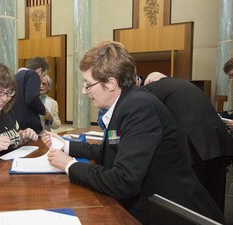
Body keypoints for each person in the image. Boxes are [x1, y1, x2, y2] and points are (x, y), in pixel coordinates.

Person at [41, 40, 224, 224]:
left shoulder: (138, 108)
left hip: (170, 214)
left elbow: (123, 182)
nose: (84, 90)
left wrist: (69, 166)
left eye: (88, 84)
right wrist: (68, 146)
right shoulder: (124, 105)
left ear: (111, 83)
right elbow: (110, 149)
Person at [144, 71, 233, 212]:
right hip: (218, 145)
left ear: (149, 82)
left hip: (196, 149)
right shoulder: (185, 84)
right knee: (215, 201)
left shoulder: (152, 88)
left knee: (195, 204)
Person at [11, 57, 50, 133]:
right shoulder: (33, 74)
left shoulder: (15, 76)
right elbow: (32, 99)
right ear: (39, 71)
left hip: (18, 123)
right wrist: (44, 111)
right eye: (43, 75)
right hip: (30, 126)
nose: (42, 79)